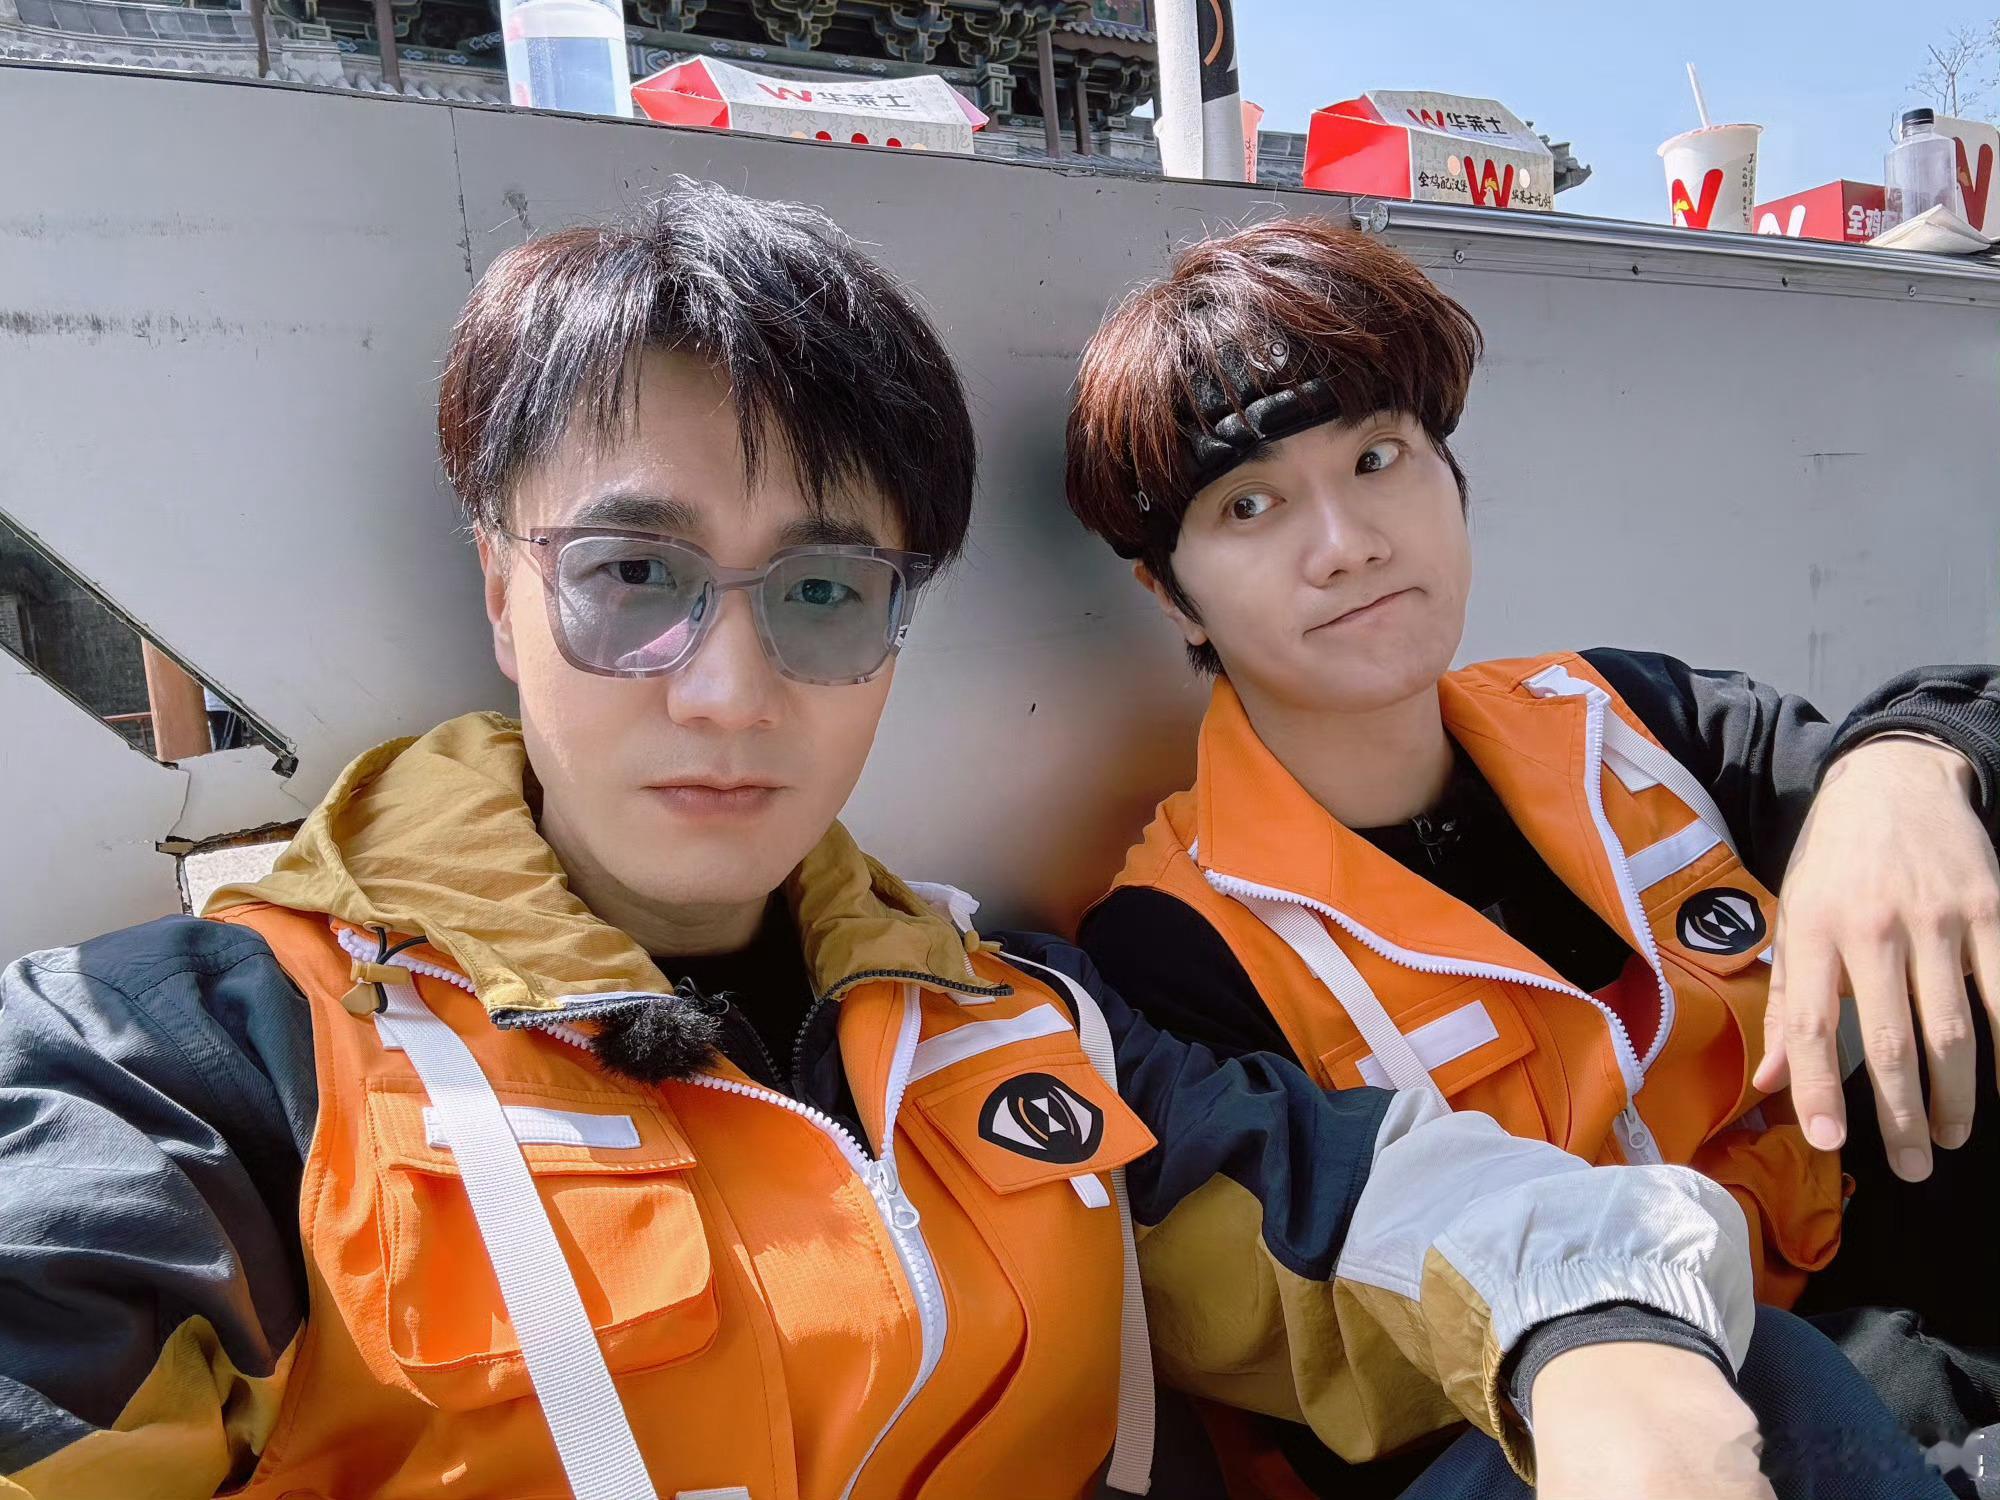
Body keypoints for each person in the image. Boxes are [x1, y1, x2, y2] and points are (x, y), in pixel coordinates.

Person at [0, 187, 1938, 1500]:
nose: (728, 689)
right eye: (632, 578)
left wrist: (1610, 1349)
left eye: (824, 593)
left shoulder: (1019, 1019)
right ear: (502, 591)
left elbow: (1393, 1204)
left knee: (1740, 1378)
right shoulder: (209, 1056)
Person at [1063, 214, 2000, 1495]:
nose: (1346, 542)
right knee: (1768, 1370)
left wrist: (1907, 762)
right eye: (1250, 505)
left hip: (1893, 1323)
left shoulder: (1624, 720)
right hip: (1579, 1441)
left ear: (1451, 476)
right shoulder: (1176, 946)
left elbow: (1908, 759)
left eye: (1378, 457)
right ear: (1171, 595)